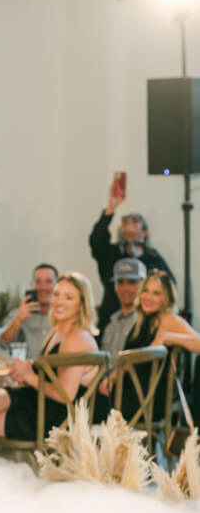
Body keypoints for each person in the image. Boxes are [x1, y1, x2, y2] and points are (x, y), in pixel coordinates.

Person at [0, 272, 99, 453]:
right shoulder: (56, 331)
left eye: (68, 297)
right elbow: (47, 370)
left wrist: (29, 376)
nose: (59, 301)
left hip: (55, 416)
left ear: (82, 304)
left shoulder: (77, 339)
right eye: (57, 295)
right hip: (37, 400)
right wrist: (24, 370)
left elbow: (66, 395)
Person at [89, 175, 173, 332]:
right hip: (112, 318)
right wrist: (110, 209)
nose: (128, 224)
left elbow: (168, 286)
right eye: (125, 222)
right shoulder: (112, 254)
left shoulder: (153, 258)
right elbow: (96, 241)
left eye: (134, 221)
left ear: (145, 232)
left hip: (144, 323)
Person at [115, 270, 200, 422]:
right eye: (146, 291)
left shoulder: (168, 320)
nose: (148, 297)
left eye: (156, 293)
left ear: (166, 299)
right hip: (130, 392)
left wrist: (169, 337)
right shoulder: (140, 324)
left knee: (88, 404)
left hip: (147, 399)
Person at [0, 263, 57, 358]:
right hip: (27, 368)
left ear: (56, 285)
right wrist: (18, 319)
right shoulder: (18, 313)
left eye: (48, 281)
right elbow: (3, 343)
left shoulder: (63, 314)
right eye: (38, 282)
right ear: (32, 285)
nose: (43, 287)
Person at [101, 257, 147, 367]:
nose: (125, 288)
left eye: (131, 282)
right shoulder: (111, 324)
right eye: (120, 282)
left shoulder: (146, 321)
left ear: (143, 284)